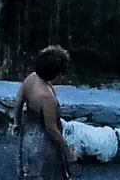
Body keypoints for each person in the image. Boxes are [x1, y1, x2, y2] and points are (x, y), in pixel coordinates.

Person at [12, 45, 76, 180]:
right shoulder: (47, 97)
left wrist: (16, 122)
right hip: (42, 142)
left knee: (28, 171)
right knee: (43, 173)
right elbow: (51, 129)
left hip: (28, 132)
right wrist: (68, 152)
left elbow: (19, 101)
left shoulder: (31, 78)